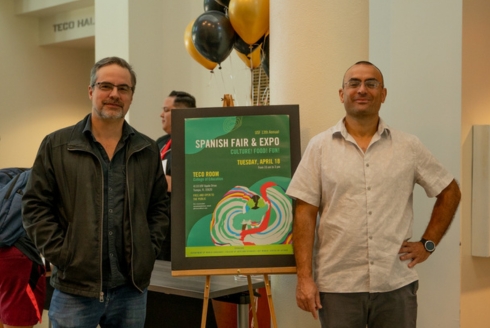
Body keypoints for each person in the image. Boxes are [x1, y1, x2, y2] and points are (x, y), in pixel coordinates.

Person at [286, 61, 461, 328]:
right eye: (354, 83)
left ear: (383, 94)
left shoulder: (408, 147)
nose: (362, 89)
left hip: (395, 285)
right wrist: (304, 278)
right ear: (342, 94)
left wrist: (428, 243)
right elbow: (304, 213)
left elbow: (449, 191)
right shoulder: (319, 147)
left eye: (371, 83)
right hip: (338, 287)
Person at [22, 56, 170, 328]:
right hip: (75, 289)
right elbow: (35, 207)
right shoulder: (57, 146)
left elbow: (159, 207)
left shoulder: (146, 150)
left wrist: (147, 249)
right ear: (91, 91)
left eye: (123, 88)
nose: (114, 94)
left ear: (131, 97)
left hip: (131, 289)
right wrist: (63, 255)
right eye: (106, 86)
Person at [156, 90, 196, 261]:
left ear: (181, 113)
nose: (161, 114)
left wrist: (175, 183)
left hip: (184, 226)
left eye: (166, 109)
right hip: (159, 223)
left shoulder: (197, 143)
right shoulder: (160, 142)